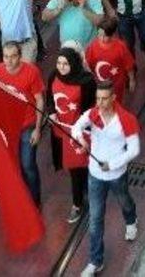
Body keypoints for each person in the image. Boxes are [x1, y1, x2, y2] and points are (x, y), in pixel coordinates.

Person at [73, 80, 141, 276]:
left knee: (124, 201)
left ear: (113, 98)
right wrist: (81, 140)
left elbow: (134, 149)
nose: (100, 104)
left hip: (117, 174)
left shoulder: (126, 119)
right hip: (95, 174)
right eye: (97, 99)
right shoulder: (92, 114)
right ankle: (96, 261)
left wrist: (112, 164)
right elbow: (76, 127)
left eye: (104, 99)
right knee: (95, 219)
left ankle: (131, 220)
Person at [47, 46, 97, 223]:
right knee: (73, 168)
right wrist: (52, 112)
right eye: (59, 63)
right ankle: (83, 190)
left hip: (78, 132)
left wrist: (82, 128)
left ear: (74, 64)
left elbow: (91, 108)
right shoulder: (54, 75)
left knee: (77, 167)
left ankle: (77, 204)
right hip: (60, 131)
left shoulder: (86, 81)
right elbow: (49, 98)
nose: (61, 67)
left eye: (65, 64)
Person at [0, 40, 44, 206]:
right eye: (6, 57)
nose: (9, 61)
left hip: (28, 126)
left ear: (20, 57)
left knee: (28, 164)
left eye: (13, 56)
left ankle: (35, 200)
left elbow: (39, 100)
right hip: (9, 128)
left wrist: (37, 129)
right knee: (17, 165)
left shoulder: (31, 72)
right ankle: (24, 197)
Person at [85, 19, 136, 101]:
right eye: (99, 35)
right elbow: (88, 66)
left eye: (105, 36)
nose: (101, 38)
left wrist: (132, 80)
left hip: (116, 86)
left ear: (112, 35)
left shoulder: (121, 47)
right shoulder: (93, 46)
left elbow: (129, 65)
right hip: (99, 85)